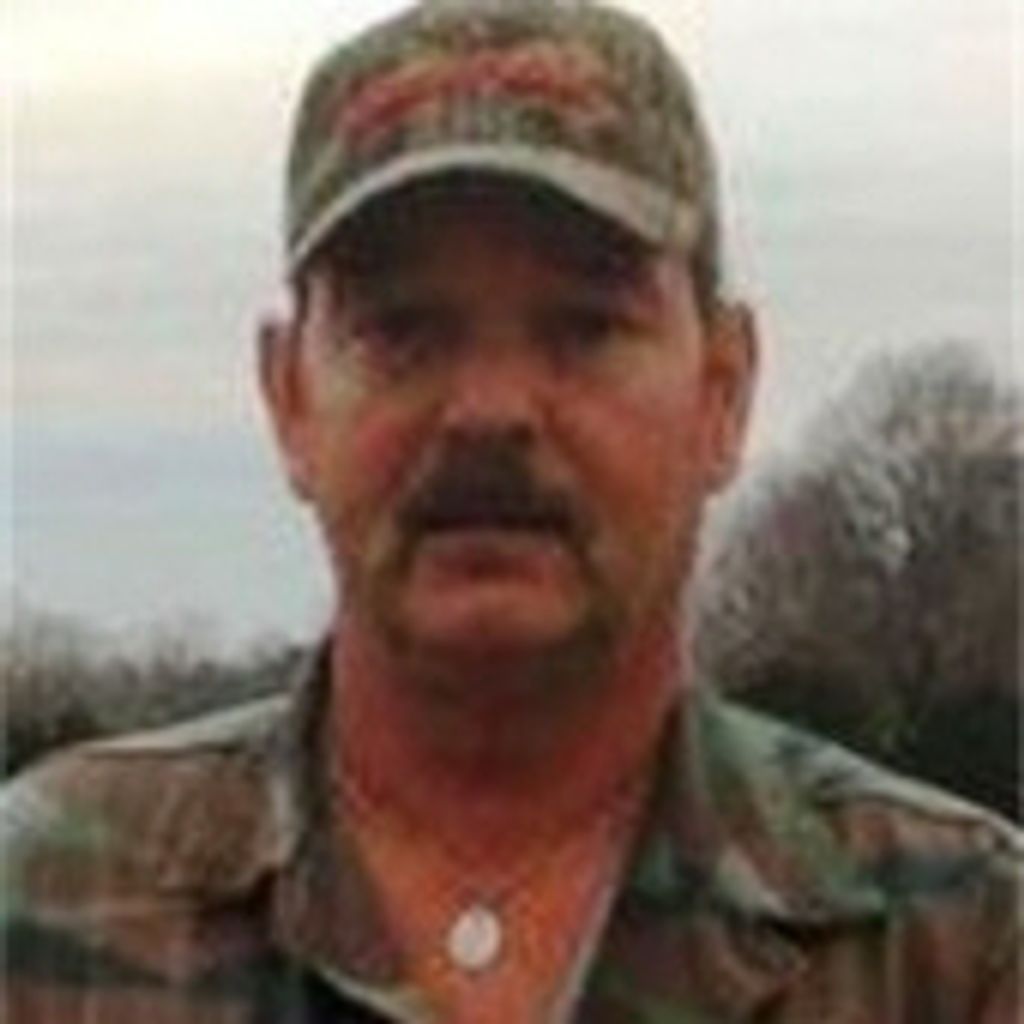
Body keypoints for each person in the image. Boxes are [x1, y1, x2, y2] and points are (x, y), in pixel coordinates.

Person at [2, 1, 1020, 1021]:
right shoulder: (45, 899)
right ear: (289, 399)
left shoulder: (959, 944)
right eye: (402, 328)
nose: (488, 412)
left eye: (585, 327)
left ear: (722, 390)